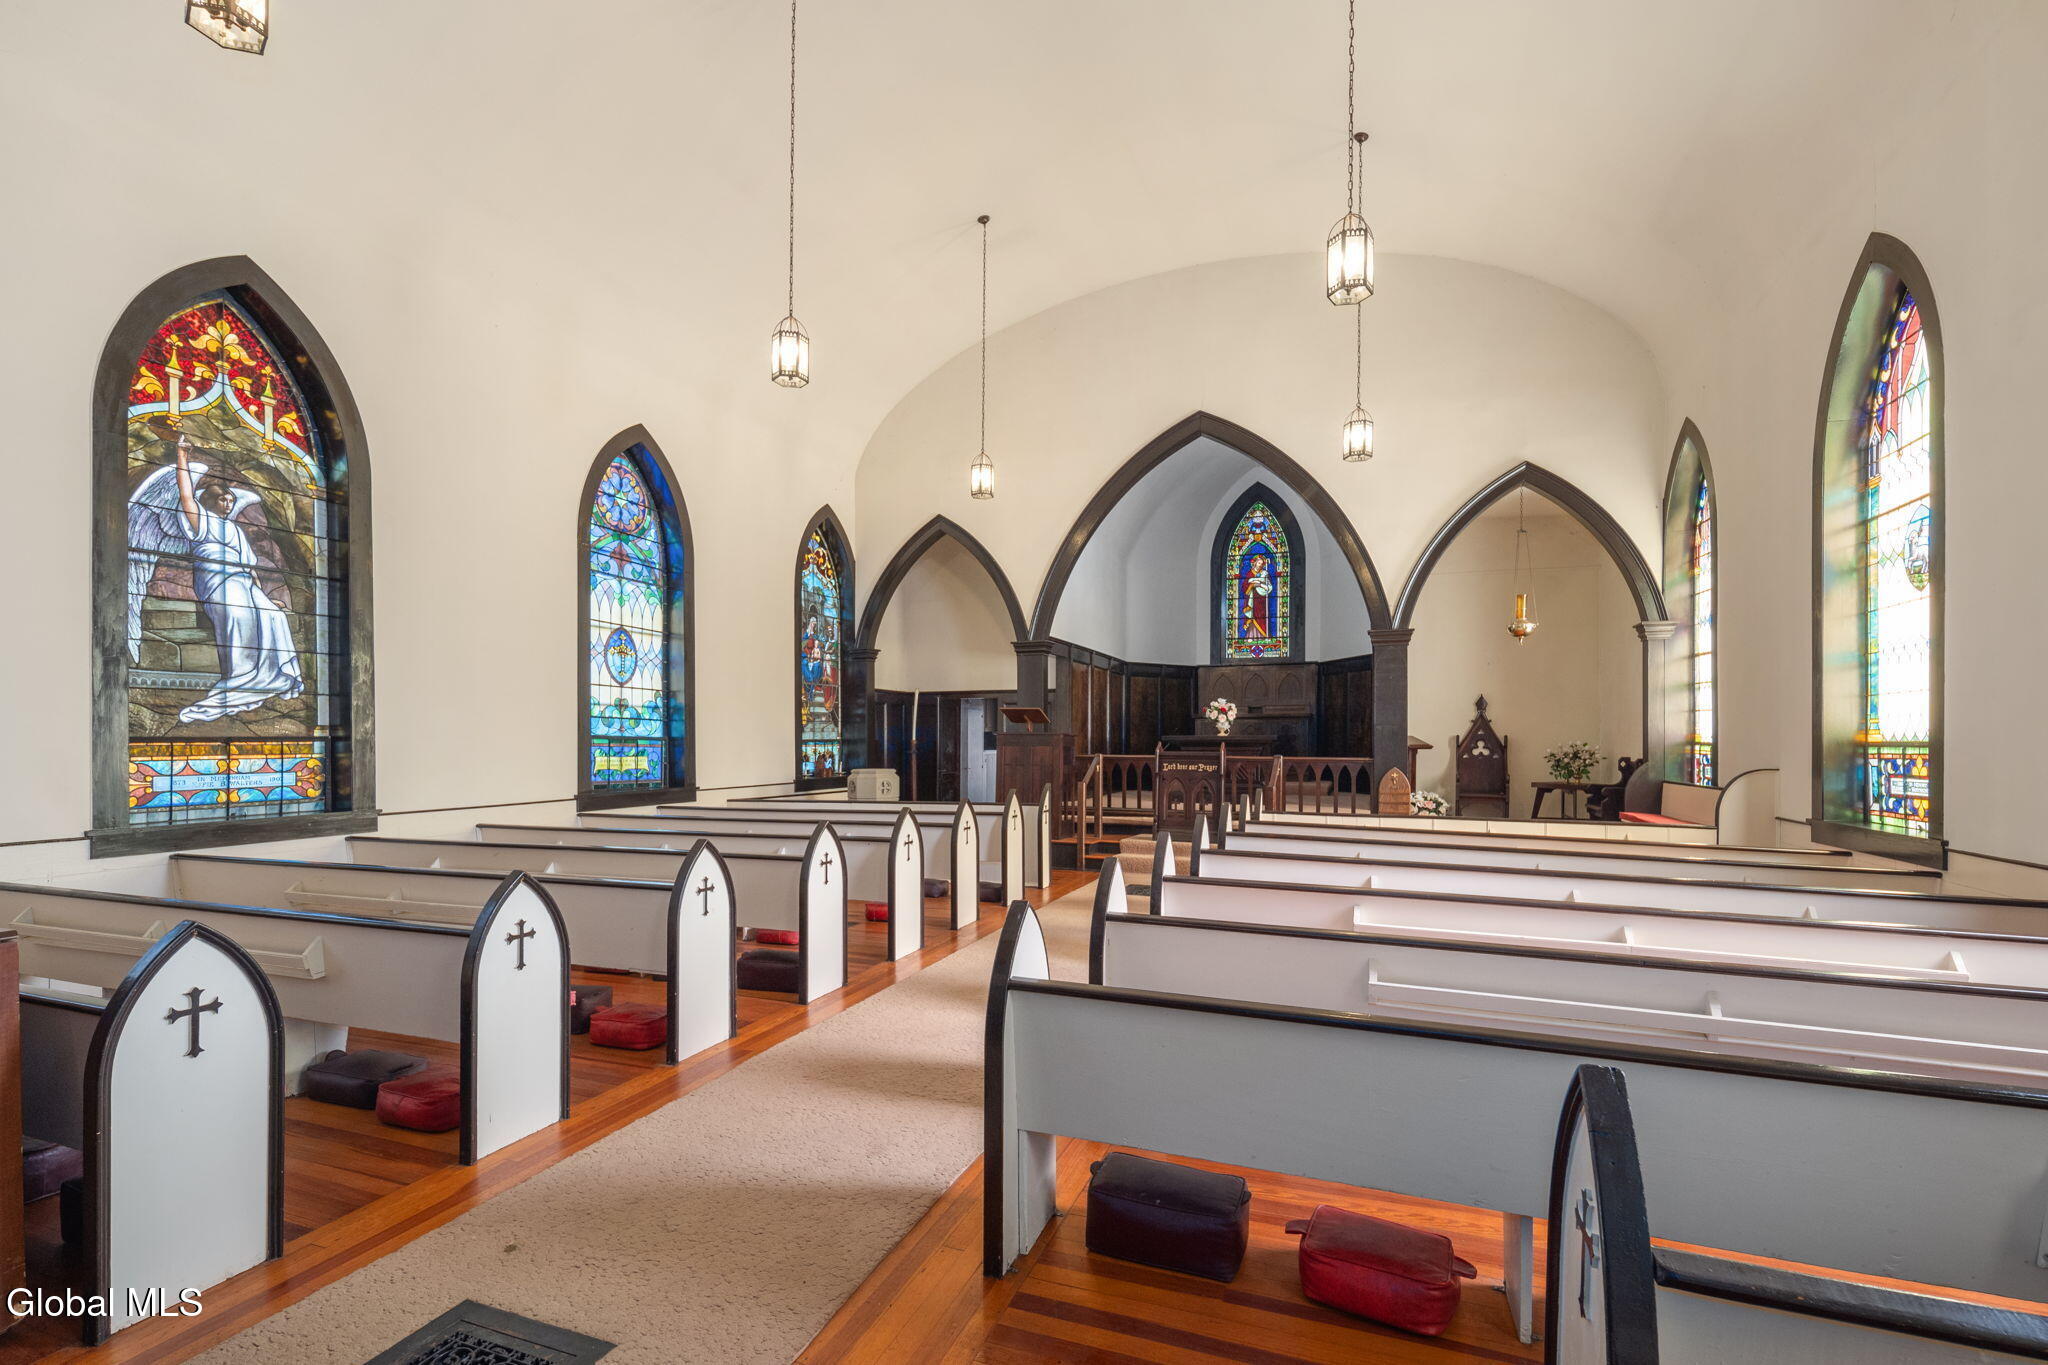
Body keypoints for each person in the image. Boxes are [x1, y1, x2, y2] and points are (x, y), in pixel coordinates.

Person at [160, 434, 304, 722]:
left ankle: (268, 677)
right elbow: (185, 492)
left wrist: (266, 595)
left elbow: (250, 567)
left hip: (242, 581)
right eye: (221, 499)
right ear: (208, 501)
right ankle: (239, 678)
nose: (227, 503)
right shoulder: (200, 519)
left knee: (272, 616)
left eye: (230, 499)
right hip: (217, 582)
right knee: (238, 617)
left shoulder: (235, 530)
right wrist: (182, 456)